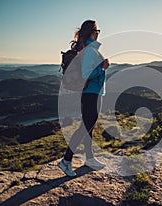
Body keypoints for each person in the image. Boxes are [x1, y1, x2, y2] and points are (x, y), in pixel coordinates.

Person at [58, 20, 109, 177]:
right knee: (85, 127)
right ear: (94, 33)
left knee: (89, 127)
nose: (98, 33)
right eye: (97, 31)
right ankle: (66, 161)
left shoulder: (89, 50)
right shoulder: (90, 51)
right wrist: (102, 68)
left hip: (92, 93)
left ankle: (90, 158)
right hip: (91, 93)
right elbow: (88, 74)